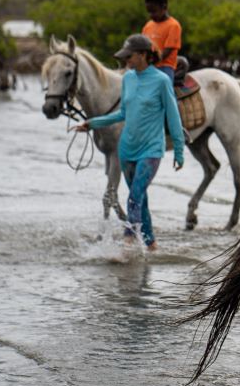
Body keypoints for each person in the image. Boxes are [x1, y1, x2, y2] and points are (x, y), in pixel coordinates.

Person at [73, 34, 184, 250]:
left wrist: (179, 150)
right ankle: (151, 244)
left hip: (151, 150)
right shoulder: (128, 79)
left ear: (143, 55)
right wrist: (92, 123)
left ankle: (128, 240)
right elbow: (122, 112)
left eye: (129, 57)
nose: (126, 61)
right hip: (127, 149)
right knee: (140, 199)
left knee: (134, 196)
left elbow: (173, 117)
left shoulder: (161, 81)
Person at [141, 0, 182, 83]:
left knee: (163, 88)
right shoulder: (148, 26)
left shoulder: (173, 25)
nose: (151, 15)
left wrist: (150, 61)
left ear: (164, 7)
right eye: (149, 12)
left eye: (154, 11)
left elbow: (167, 52)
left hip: (165, 67)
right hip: (148, 67)